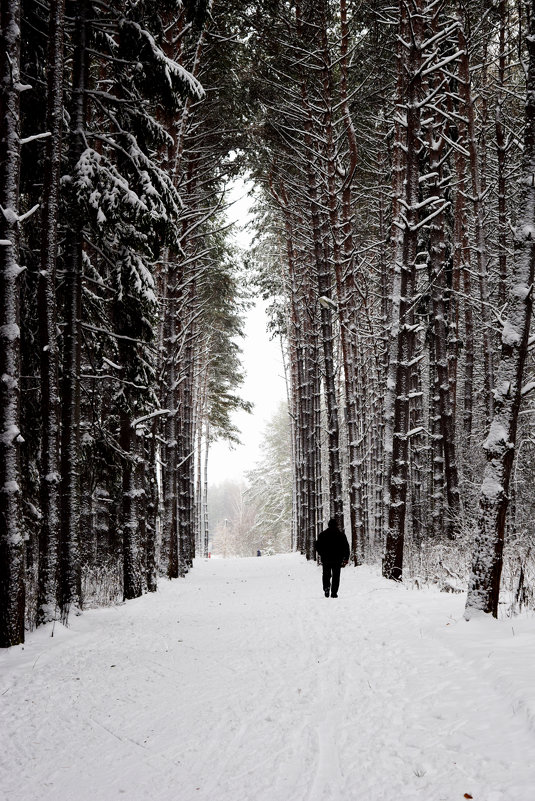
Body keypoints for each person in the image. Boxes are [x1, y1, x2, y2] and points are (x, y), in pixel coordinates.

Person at [314, 518, 350, 598]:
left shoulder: (322, 535)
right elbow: (346, 548)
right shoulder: (341, 535)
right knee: (336, 576)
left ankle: (326, 588)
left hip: (326, 559)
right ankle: (334, 592)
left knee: (326, 574)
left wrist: (321, 554)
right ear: (336, 525)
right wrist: (346, 558)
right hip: (337, 559)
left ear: (328, 525)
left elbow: (317, 546)